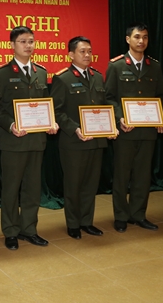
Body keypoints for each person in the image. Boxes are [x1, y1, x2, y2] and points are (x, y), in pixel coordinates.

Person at [0, 26, 58, 250]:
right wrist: (11, 125)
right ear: (12, 45)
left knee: (32, 188)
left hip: (37, 141)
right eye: (23, 41)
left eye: (31, 41)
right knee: (11, 188)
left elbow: (45, 105)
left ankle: (29, 229)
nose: (28, 46)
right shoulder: (1, 74)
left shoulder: (41, 72)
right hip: (13, 141)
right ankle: (10, 231)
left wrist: (51, 122)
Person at [51, 36, 116, 239]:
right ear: (71, 54)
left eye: (89, 51)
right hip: (74, 141)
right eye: (82, 51)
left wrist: (110, 125)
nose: (87, 55)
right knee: (74, 184)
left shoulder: (97, 77)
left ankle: (87, 221)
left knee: (90, 184)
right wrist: (75, 128)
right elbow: (56, 111)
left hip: (96, 141)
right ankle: (73, 224)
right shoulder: (62, 78)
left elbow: (103, 107)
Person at [105, 22, 163, 233]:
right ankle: (121, 216)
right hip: (125, 131)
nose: (141, 41)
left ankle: (138, 214)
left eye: (145, 37)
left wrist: (160, 117)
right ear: (128, 39)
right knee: (122, 176)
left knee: (143, 175)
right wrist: (120, 118)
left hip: (148, 131)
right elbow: (109, 97)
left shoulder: (155, 66)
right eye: (137, 37)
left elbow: (160, 96)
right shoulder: (116, 66)